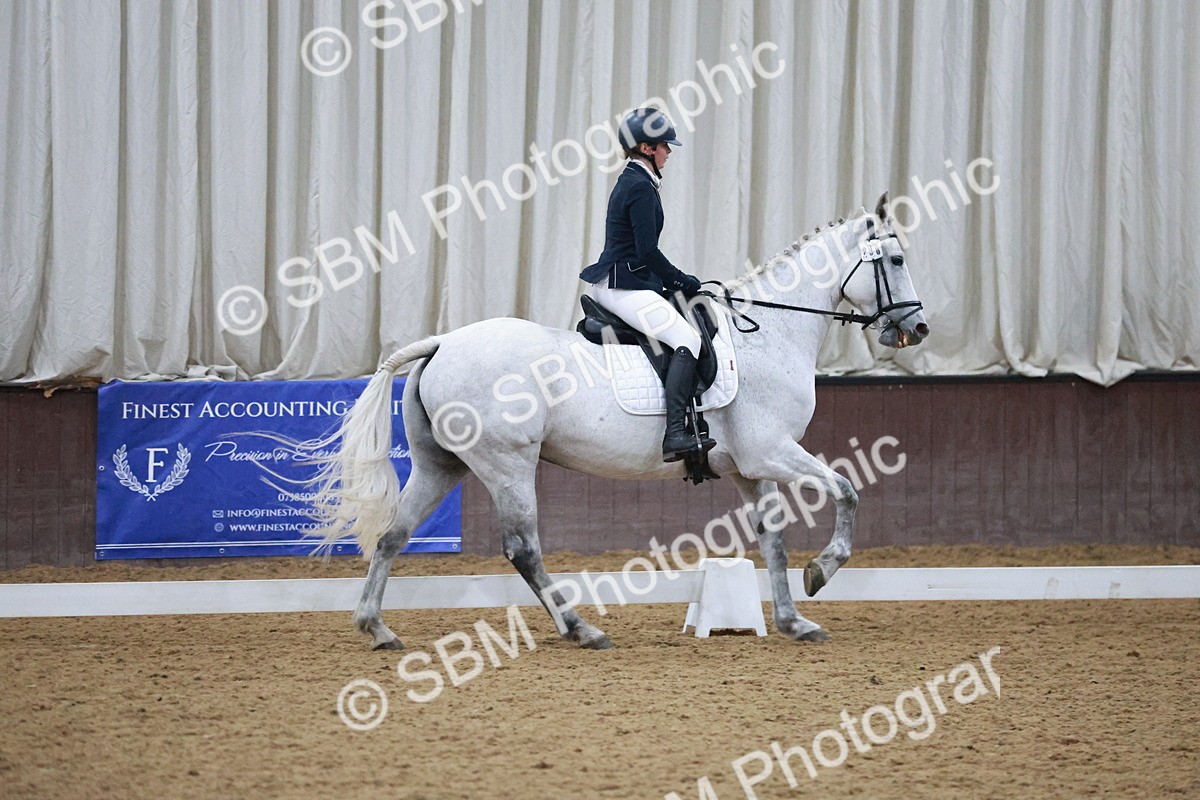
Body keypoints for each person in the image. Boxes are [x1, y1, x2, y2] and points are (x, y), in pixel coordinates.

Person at [579, 107, 715, 462]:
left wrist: (666, 284)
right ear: (645, 147)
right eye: (664, 146)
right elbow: (647, 250)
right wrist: (679, 279)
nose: (669, 151)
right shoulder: (638, 186)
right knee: (687, 338)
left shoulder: (637, 180)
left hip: (629, 280)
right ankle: (675, 434)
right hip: (622, 286)